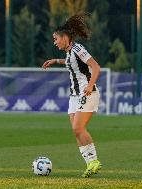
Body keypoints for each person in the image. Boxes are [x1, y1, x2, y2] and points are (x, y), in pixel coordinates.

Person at [42, 13, 102, 178]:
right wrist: (55, 60)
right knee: (76, 132)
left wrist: (90, 86)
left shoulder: (78, 49)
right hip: (74, 96)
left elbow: (96, 67)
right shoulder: (69, 53)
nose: (54, 42)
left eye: (56, 39)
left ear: (64, 37)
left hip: (87, 93)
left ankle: (95, 161)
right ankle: (90, 164)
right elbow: (70, 62)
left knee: (78, 128)